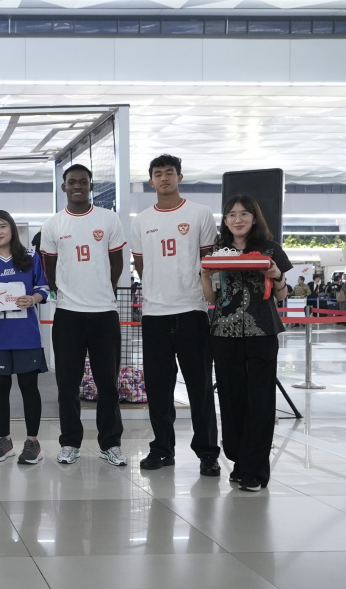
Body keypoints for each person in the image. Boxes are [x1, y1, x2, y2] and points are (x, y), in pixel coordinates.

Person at [130, 154, 221, 476]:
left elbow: (208, 263)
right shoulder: (140, 220)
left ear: (180, 177)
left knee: (199, 386)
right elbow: (141, 266)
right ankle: (162, 448)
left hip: (192, 310)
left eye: (170, 172)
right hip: (154, 312)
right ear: (151, 181)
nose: (164, 178)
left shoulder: (199, 214)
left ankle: (208, 452)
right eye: (158, 173)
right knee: (158, 388)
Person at [202, 195, 291, 491]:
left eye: (244, 214)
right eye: (231, 215)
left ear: (254, 218)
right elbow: (212, 298)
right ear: (225, 220)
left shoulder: (269, 248)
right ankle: (239, 461)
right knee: (231, 398)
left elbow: (281, 295)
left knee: (261, 401)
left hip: (261, 332)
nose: (237, 219)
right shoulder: (217, 251)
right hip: (224, 333)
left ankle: (256, 470)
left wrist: (276, 275)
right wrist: (205, 275)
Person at [41, 164, 128, 467]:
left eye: (83, 182)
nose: (77, 186)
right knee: (67, 384)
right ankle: (70, 443)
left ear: (91, 186)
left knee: (108, 384)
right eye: (71, 182)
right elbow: (49, 267)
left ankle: (111, 444)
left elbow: (116, 263)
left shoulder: (108, 219)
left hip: (104, 313)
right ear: (63, 187)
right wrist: (60, 291)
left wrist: (105, 289)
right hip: (68, 315)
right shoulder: (53, 224)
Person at [0, 210, 49, 464]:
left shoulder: (30, 257)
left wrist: (32, 298)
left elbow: (43, 288)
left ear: (12, 229)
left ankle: (32, 443)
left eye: (3, 226)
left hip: (26, 335)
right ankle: (5, 441)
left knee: (29, 388)